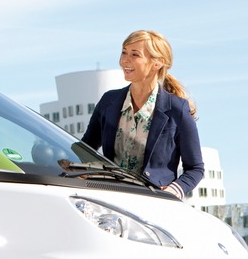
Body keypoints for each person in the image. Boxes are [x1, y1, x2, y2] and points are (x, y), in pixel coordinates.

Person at [82, 29, 204, 200]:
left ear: (157, 63)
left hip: (154, 203)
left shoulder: (177, 109)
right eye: (124, 52)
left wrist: (171, 191)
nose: (125, 59)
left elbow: (195, 168)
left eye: (134, 54)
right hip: (111, 198)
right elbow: (85, 149)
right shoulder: (108, 101)